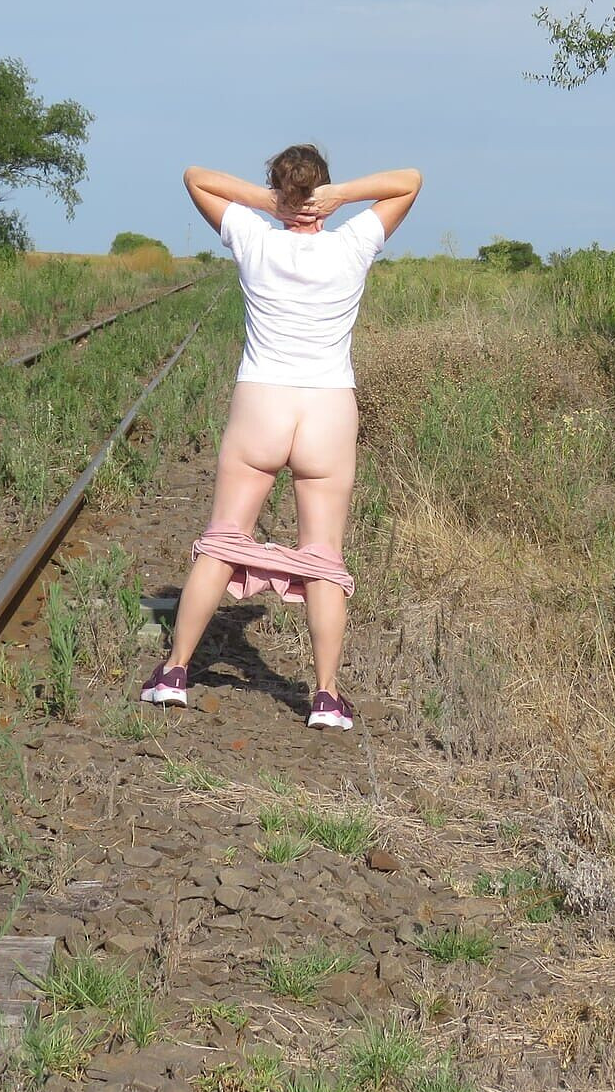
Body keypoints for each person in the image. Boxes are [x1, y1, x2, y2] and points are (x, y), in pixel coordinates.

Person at [140, 146, 422, 731]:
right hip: (328, 410)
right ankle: (325, 697)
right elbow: (409, 181)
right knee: (322, 556)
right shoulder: (352, 242)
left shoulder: (253, 236)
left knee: (223, 540)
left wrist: (271, 204)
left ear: (277, 188)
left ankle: (174, 673)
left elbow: (196, 177)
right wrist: (340, 197)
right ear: (324, 189)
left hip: (261, 404)